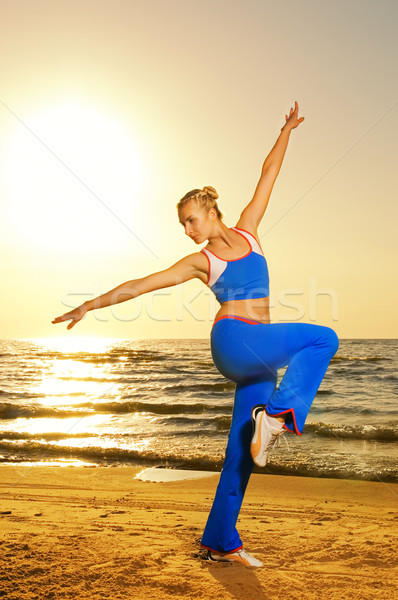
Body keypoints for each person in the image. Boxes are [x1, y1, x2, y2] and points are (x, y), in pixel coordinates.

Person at [52, 101, 339, 569]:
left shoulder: (250, 231)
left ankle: (220, 540)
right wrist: (88, 304)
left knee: (241, 453)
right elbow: (141, 284)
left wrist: (286, 129)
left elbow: (269, 174)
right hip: (233, 341)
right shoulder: (201, 262)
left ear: (211, 210)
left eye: (192, 220)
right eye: (183, 225)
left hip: (259, 357)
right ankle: (281, 416)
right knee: (322, 337)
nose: (188, 232)